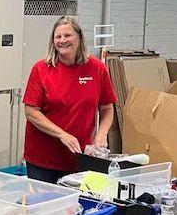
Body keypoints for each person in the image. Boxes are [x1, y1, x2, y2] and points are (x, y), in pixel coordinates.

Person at [22, 16, 116, 184]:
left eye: (67, 36)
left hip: (80, 157)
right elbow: (31, 112)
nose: (62, 41)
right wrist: (62, 135)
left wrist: (102, 134)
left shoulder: (97, 69)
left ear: (79, 38)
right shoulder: (41, 69)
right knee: (46, 206)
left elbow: (107, 108)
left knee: (77, 207)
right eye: (58, 37)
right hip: (44, 160)